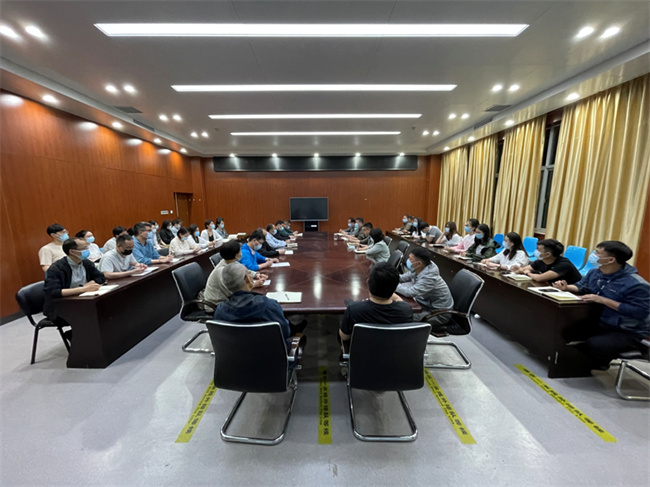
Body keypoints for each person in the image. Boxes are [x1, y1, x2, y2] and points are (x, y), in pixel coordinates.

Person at [552, 241, 650, 370]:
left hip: (626, 331)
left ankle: (598, 363)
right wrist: (566, 287)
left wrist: (603, 300)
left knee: (595, 344)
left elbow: (639, 312)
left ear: (610, 259)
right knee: (561, 329)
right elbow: (582, 287)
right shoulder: (595, 272)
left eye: (597, 253)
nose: (593, 255)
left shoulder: (637, 284)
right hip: (599, 321)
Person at [213, 263, 292, 349]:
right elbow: (285, 332)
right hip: (271, 355)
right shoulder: (269, 305)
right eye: (249, 273)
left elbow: (220, 338)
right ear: (248, 278)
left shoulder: (220, 310)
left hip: (235, 355)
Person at [339, 263, 414, 342]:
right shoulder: (406, 311)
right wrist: (389, 288)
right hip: (393, 348)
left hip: (363, 349)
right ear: (395, 287)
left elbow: (344, 337)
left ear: (368, 282)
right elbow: (402, 303)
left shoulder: (354, 310)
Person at [43, 237, 107, 327]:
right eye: (84, 248)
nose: (87, 250)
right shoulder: (56, 268)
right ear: (72, 251)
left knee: (106, 308)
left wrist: (90, 284)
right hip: (61, 306)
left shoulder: (86, 262)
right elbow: (54, 292)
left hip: (84, 300)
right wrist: (83, 289)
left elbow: (101, 277)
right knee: (95, 314)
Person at [203, 240, 266, 312]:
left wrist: (257, 274)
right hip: (216, 305)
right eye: (240, 251)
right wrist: (253, 285)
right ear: (236, 255)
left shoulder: (232, 262)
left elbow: (244, 270)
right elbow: (232, 292)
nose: (241, 252)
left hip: (226, 300)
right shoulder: (221, 271)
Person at [396, 247, 454, 323]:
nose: (408, 260)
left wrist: (393, 285)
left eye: (410, 259)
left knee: (399, 315)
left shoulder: (429, 277)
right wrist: (388, 277)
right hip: (424, 304)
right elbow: (403, 278)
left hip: (437, 314)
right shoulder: (420, 267)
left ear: (419, 263)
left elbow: (410, 292)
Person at [514, 238, 581, 284]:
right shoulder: (541, 261)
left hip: (573, 293)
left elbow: (540, 278)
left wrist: (528, 273)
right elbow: (523, 270)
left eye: (538, 249)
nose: (536, 251)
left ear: (547, 254)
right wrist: (518, 269)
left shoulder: (564, 264)